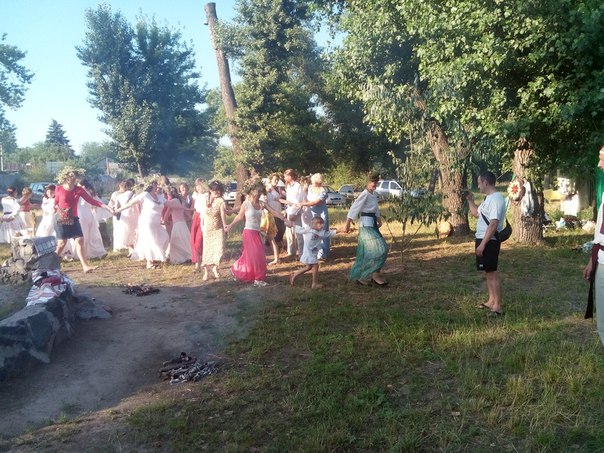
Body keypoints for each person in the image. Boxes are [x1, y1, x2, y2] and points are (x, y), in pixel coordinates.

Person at [225, 181, 286, 286]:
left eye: (260, 192)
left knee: (250, 255)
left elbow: (274, 212)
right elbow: (239, 216)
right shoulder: (246, 204)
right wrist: (230, 225)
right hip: (248, 232)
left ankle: (236, 268)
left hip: (257, 232)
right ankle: (258, 279)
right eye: (257, 192)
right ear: (251, 192)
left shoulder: (262, 203)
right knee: (258, 255)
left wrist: (284, 218)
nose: (258, 194)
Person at [53, 168, 113, 273]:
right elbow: (56, 201)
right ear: (66, 177)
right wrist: (54, 208)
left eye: (75, 176)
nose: (74, 178)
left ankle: (85, 266)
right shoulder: (59, 189)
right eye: (71, 176)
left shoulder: (79, 190)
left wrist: (106, 207)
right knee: (62, 243)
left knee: (80, 240)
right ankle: (49, 263)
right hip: (61, 218)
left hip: (74, 218)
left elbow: (92, 201)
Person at [466, 170, 507, 316]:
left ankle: (498, 306)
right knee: (488, 272)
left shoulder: (496, 199)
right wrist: (470, 200)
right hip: (483, 239)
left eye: (479, 183)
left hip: (489, 240)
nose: (478, 186)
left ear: (485, 182)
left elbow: (493, 223)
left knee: (492, 273)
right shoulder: (488, 198)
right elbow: (477, 214)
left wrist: (483, 244)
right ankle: (491, 301)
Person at [344, 173, 388, 286]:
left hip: (372, 223)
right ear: (368, 182)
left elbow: (375, 209)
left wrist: (378, 219)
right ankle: (364, 276)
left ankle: (374, 275)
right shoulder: (365, 194)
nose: (375, 184)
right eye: (373, 182)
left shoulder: (373, 194)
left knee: (379, 250)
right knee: (379, 249)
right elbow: (354, 207)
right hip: (366, 224)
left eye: (377, 182)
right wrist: (347, 223)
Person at [115, 180, 169, 269]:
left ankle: (154, 258)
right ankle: (149, 262)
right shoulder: (145, 195)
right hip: (146, 221)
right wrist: (117, 210)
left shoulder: (160, 197)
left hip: (157, 223)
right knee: (150, 240)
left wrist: (182, 205)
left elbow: (169, 204)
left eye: (157, 184)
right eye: (155, 184)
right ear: (150, 185)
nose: (157, 185)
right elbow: (130, 204)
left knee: (164, 237)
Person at [583, 146, 604, 345]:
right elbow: (599, 233)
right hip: (602, 261)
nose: (599, 164)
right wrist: (592, 261)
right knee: (602, 320)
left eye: (602, 159)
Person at [290, 216, 335, 288]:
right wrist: (293, 225)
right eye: (320, 224)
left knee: (308, 267)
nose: (322, 226)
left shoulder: (321, 233)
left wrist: (337, 232)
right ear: (314, 224)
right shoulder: (308, 229)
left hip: (313, 253)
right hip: (308, 252)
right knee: (315, 266)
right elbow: (299, 229)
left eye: (322, 224)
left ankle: (294, 275)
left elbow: (328, 234)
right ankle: (314, 284)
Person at [296, 173, 330, 260]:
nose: (311, 181)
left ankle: (324, 253)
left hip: (321, 213)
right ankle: (316, 252)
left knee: (323, 231)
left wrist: (303, 204)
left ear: (317, 181)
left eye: (313, 180)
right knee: (314, 232)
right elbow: (305, 194)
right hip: (311, 213)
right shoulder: (310, 187)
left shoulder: (323, 191)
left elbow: (315, 202)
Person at [201, 180, 228, 280]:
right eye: (216, 190)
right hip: (207, 229)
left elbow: (223, 214)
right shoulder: (204, 199)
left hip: (218, 229)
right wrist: (202, 226)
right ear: (210, 190)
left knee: (219, 250)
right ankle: (206, 272)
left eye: (219, 190)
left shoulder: (220, 201)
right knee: (207, 250)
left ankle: (215, 268)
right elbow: (202, 214)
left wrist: (225, 225)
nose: (218, 192)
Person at [77, 179, 107, 259]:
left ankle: (85, 253)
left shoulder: (80, 193)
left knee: (84, 234)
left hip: (81, 214)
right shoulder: (91, 192)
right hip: (89, 214)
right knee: (92, 233)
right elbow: (95, 204)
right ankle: (96, 251)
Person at [281, 169, 305, 259]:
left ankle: (301, 253)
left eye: (285, 176)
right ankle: (291, 252)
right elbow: (289, 200)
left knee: (299, 233)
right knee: (289, 233)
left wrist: (293, 213)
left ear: (290, 176)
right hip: (289, 211)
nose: (284, 178)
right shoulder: (288, 186)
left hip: (296, 212)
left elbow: (298, 201)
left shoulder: (297, 186)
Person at [164, 186, 192, 264]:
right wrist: (190, 218)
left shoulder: (173, 202)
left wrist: (166, 220)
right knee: (185, 240)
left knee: (176, 241)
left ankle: (179, 258)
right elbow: (186, 213)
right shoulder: (181, 202)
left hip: (177, 224)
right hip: (183, 224)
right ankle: (188, 256)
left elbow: (166, 215)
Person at [110, 180, 138, 254]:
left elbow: (116, 208)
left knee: (126, 233)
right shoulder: (135, 195)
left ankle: (130, 248)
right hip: (135, 214)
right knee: (135, 231)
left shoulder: (119, 196)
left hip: (124, 215)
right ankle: (134, 247)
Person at [190, 178, 206, 272]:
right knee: (193, 240)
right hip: (196, 217)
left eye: (199, 185)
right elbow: (193, 207)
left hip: (203, 218)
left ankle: (204, 260)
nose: (198, 187)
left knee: (199, 241)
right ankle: (197, 263)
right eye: (196, 185)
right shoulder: (196, 195)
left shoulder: (207, 195)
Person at [267, 173, 286, 252]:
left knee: (282, 228)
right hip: (271, 210)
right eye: (275, 179)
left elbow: (283, 195)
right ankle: (272, 245)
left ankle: (278, 243)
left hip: (278, 210)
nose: (276, 181)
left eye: (278, 180)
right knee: (275, 229)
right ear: (270, 180)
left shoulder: (278, 188)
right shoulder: (268, 187)